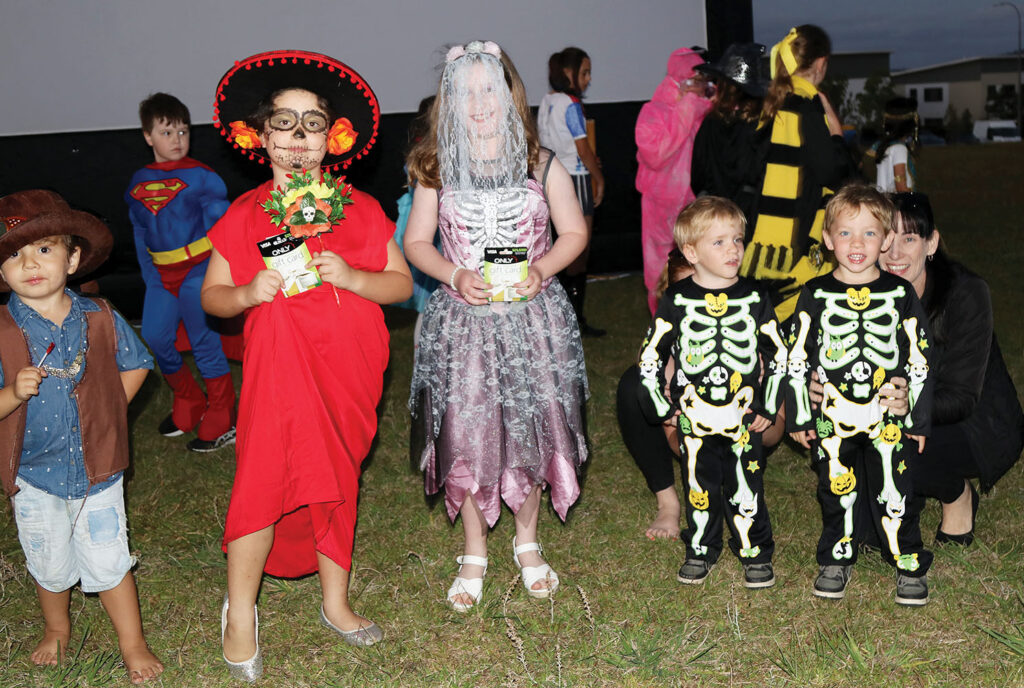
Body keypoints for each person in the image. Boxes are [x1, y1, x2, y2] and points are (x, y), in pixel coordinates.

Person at [202, 50, 412, 681]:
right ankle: (240, 612)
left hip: (347, 371)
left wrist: (355, 275)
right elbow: (214, 297)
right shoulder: (244, 215)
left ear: (334, 137)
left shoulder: (365, 209)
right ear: (260, 137)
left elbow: (400, 286)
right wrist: (245, 295)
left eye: (312, 122)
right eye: (284, 123)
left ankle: (336, 602)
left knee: (337, 479)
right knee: (262, 480)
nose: (297, 136)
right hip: (280, 372)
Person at [405, 40, 589, 612]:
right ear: (449, 103)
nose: (479, 102)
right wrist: (454, 273)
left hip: (535, 325)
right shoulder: (435, 169)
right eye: (465, 92)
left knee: (532, 426)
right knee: (467, 430)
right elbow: (415, 243)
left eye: (490, 89)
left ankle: (528, 542)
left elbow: (575, 234)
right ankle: (474, 550)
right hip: (464, 327)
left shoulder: (542, 163)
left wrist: (544, 268)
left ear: (510, 94)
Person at [0, 190, 162, 683]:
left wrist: (108, 412)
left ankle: (132, 643)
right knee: (48, 560)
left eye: (44, 250)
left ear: (72, 258)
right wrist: (12, 392)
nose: (30, 264)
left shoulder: (98, 315)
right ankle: (57, 628)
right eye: (14, 254)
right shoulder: (3, 331)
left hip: (98, 469)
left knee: (110, 559)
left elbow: (135, 366)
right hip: (34, 475)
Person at [787, 183, 933, 606]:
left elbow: (920, 357)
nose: (857, 243)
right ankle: (837, 556)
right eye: (846, 233)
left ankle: (908, 562)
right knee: (836, 489)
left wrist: (918, 418)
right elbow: (795, 359)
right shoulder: (814, 294)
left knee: (896, 491)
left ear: (886, 240)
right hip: (832, 414)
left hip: (887, 413)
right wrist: (799, 415)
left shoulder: (900, 294)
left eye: (870, 233)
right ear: (829, 239)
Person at [636, 197, 786, 587]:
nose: (733, 249)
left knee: (746, 485)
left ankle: (755, 551)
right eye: (718, 242)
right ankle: (701, 548)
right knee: (699, 485)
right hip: (695, 416)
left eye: (737, 239)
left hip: (743, 416)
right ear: (691, 252)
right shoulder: (676, 300)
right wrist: (662, 406)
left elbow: (778, 354)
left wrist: (768, 404)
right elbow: (651, 354)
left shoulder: (756, 297)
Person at [878, 192, 1023, 546]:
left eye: (909, 238)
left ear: (932, 243)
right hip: (900, 413)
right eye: (886, 238)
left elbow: (961, 398)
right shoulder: (865, 294)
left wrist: (903, 407)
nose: (895, 253)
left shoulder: (966, 293)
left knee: (888, 442)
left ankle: (957, 495)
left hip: (976, 425)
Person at [126, 92, 237, 452]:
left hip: (199, 270)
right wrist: (150, 278)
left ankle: (223, 411)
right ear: (148, 137)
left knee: (205, 344)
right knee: (157, 338)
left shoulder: (203, 177)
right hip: (162, 275)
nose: (177, 140)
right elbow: (140, 232)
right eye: (167, 132)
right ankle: (189, 398)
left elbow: (224, 229)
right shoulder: (138, 180)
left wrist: (220, 274)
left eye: (183, 131)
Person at [744, 25, 855, 321]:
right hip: (799, 239)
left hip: (762, 240)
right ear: (820, 63)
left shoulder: (770, 108)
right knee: (799, 321)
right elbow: (832, 171)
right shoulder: (808, 109)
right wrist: (836, 138)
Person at [636, 47, 713, 313]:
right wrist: (688, 108)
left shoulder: (708, 111)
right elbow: (655, 154)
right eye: (697, 80)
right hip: (660, 207)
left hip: (696, 204)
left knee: (700, 264)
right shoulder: (654, 111)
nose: (702, 87)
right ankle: (663, 325)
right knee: (660, 269)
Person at [537, 46, 606, 335]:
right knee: (578, 252)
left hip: (549, 177)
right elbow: (582, 147)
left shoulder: (546, 100)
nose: (589, 79)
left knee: (558, 250)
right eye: (585, 72)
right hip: (575, 178)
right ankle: (574, 321)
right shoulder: (571, 104)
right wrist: (599, 176)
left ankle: (559, 319)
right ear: (568, 73)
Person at [691, 43, 768, 224]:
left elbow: (698, 174)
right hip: (752, 216)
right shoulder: (761, 125)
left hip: (715, 216)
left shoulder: (710, 123)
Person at [873, 97, 919, 193]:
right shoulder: (899, 149)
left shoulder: (884, 146)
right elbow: (901, 187)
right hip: (897, 206)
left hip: (883, 203)